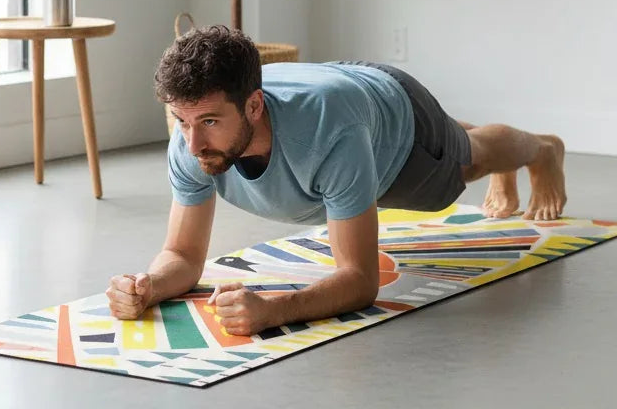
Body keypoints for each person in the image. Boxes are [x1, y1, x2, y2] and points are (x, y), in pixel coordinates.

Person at [106, 26, 566, 337]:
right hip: (340, 93)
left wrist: (274, 310)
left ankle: (542, 151)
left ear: (252, 107)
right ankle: (460, 136)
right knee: (449, 142)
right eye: (180, 121)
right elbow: (183, 256)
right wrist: (148, 286)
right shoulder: (192, 140)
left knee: (467, 163)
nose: (191, 142)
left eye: (208, 121)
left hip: (396, 116)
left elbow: (361, 280)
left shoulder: (330, 136)